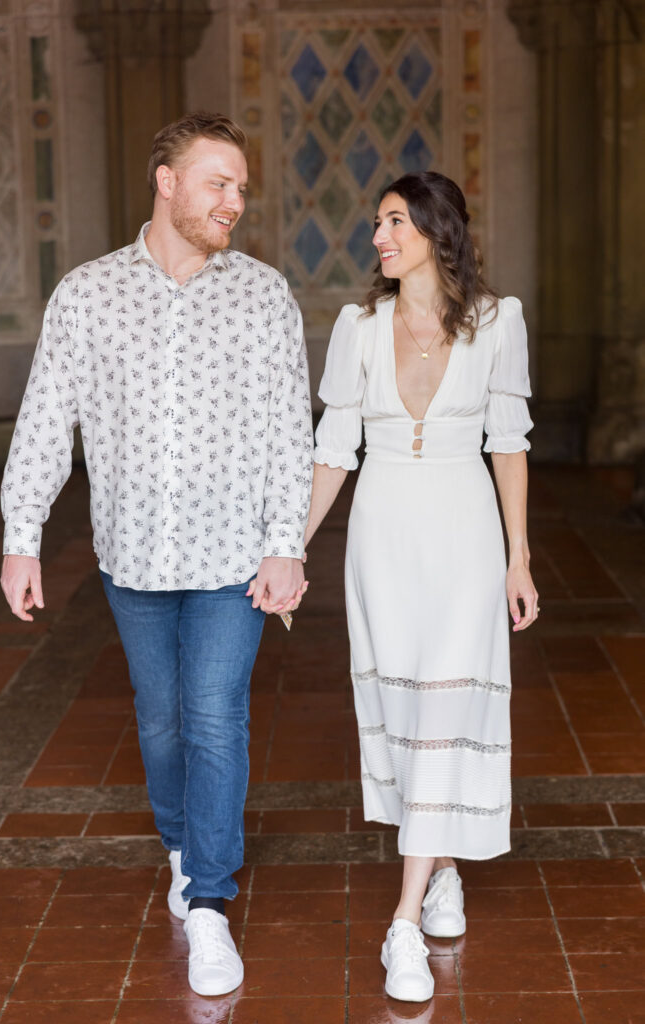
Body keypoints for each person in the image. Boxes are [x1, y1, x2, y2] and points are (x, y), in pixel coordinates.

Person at [0, 111, 313, 997]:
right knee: (159, 716)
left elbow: (291, 432)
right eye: (219, 183)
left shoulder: (262, 294)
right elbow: (44, 420)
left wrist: (283, 545)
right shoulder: (88, 294)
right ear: (166, 181)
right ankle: (182, 846)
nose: (235, 203)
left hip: (230, 558)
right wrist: (21, 539)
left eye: (243, 188)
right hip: (131, 554)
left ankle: (209, 900)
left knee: (216, 718)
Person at [304, 171, 538, 1002]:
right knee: (407, 722)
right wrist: (290, 549)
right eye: (376, 223)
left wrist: (517, 558)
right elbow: (334, 448)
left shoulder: (494, 322)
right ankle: (440, 870)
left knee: (443, 708)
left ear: (437, 232)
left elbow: (507, 443)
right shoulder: (357, 326)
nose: (377, 237)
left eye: (393, 221)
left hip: (464, 542)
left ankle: (402, 921)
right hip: (381, 544)